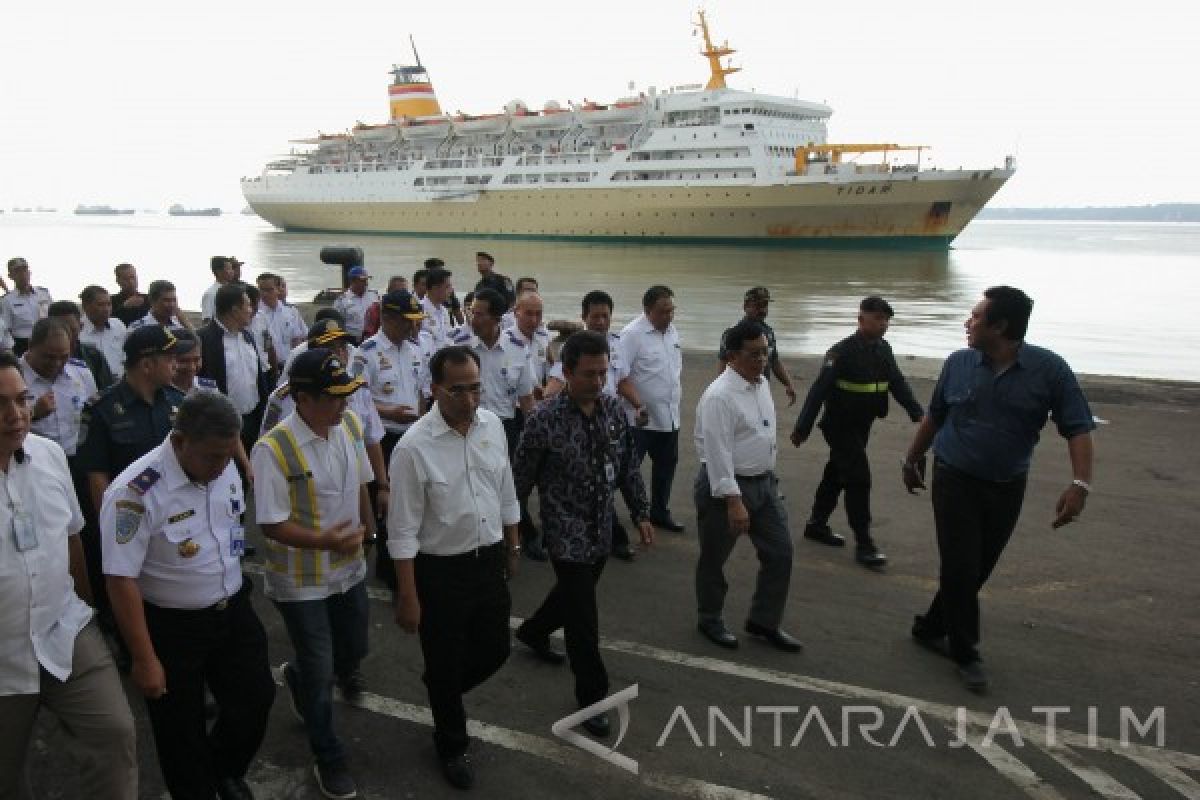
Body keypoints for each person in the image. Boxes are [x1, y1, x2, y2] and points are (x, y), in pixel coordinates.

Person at [902, 286, 1095, 693]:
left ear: (1000, 326)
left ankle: (932, 625)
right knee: (960, 565)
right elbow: (935, 416)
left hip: (1007, 484)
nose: (967, 323)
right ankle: (966, 652)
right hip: (954, 477)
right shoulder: (958, 363)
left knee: (978, 567)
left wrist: (1080, 484)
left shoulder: (1050, 370)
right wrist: (913, 458)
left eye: (975, 316)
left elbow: (1077, 426)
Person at [100, 392, 275, 800]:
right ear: (180, 442)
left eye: (228, 454)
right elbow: (120, 579)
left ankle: (223, 771)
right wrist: (143, 659)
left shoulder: (222, 464)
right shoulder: (136, 492)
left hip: (231, 609)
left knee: (255, 699)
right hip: (171, 626)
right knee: (180, 731)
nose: (221, 467)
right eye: (213, 457)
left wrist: (225, 460)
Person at [0, 351, 137, 800]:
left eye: (21, 400)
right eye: (0, 405)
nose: (16, 415)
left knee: (114, 735)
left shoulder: (50, 455)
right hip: (2, 657)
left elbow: (74, 539)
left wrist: (88, 609)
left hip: (64, 630)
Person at [388, 345, 520, 790]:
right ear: (436, 389)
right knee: (444, 663)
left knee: (495, 650)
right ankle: (451, 743)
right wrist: (408, 596)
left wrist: (513, 543)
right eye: (458, 390)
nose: (469, 399)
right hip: (440, 572)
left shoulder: (493, 427)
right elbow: (403, 530)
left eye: (476, 388)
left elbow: (504, 488)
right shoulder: (412, 448)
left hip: (488, 561)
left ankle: (442, 691)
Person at [513, 332, 653, 736]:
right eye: (589, 374)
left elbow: (627, 468)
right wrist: (510, 533)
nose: (597, 382)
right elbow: (520, 480)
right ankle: (592, 697)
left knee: (575, 597)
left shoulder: (612, 411)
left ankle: (534, 630)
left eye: (603, 373)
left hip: (601, 527)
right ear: (567, 372)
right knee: (583, 618)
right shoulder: (544, 419)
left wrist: (641, 513)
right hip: (564, 529)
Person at [252, 348, 375, 800]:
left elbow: (360, 483)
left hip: (348, 568)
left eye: (346, 395)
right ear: (303, 399)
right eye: (334, 396)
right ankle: (329, 755)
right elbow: (270, 522)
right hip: (300, 580)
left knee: (354, 649)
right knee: (323, 667)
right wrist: (329, 542)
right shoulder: (273, 449)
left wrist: (369, 534)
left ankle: (299, 679)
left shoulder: (350, 427)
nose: (344, 404)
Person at [790, 295, 924, 568]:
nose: (883, 324)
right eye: (878, 319)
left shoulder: (883, 349)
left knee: (837, 473)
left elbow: (896, 382)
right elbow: (819, 391)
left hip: (862, 425)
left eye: (886, 320)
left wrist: (917, 413)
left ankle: (816, 524)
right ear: (861, 319)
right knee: (859, 479)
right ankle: (865, 544)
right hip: (839, 426)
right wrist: (802, 428)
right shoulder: (840, 352)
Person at [76, 326, 187, 650]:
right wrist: (113, 531)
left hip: (173, 519)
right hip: (130, 520)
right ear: (146, 365)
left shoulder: (178, 403)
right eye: (169, 358)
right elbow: (98, 477)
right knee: (128, 593)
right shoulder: (103, 409)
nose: (176, 365)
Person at [693, 319, 800, 653]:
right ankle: (709, 617)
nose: (762, 361)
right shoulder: (719, 397)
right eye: (754, 355)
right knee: (715, 558)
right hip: (727, 489)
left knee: (781, 553)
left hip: (765, 486)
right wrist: (733, 501)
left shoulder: (760, 384)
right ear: (732, 357)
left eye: (765, 353)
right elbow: (717, 453)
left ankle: (764, 621)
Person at [544, 291, 644, 561]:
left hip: (609, 422)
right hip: (579, 425)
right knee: (591, 484)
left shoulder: (617, 345)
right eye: (595, 316)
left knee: (613, 477)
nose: (601, 322)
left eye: (605, 316)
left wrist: (637, 405)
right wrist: (546, 403)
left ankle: (613, 536)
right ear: (584, 317)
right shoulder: (573, 348)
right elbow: (556, 382)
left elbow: (622, 381)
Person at [354, 291, 428, 586]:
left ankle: (408, 560)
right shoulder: (366, 354)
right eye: (406, 321)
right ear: (387, 318)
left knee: (412, 501)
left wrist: (420, 423)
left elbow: (422, 393)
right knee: (387, 505)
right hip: (381, 439)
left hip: (411, 436)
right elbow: (357, 403)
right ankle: (388, 569)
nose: (413, 327)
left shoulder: (415, 351)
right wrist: (389, 411)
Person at [618, 285, 685, 532]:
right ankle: (611, 516)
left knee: (666, 469)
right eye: (663, 311)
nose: (669, 316)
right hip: (640, 419)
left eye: (671, 310)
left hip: (669, 417)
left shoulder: (672, 332)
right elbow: (620, 376)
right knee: (626, 472)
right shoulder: (631, 335)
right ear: (647, 311)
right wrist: (638, 404)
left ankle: (659, 512)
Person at [197, 283, 272, 459]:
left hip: (253, 420)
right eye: (247, 305)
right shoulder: (204, 340)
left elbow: (257, 379)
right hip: (223, 424)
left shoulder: (247, 337)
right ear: (234, 310)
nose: (251, 310)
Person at [20, 318, 98, 459]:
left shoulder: (81, 372)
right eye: (48, 357)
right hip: (32, 461)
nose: (56, 363)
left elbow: (93, 414)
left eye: (64, 357)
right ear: (30, 345)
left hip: (77, 460)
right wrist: (33, 414)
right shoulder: (12, 377)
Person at [717, 287, 797, 405]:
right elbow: (723, 363)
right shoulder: (732, 333)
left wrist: (788, 384)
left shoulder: (768, 332)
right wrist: (722, 390)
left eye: (765, 305)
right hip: (739, 391)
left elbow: (774, 361)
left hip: (761, 389)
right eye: (758, 306)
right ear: (745, 307)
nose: (763, 310)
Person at [48, 300, 114, 390]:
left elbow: (107, 391)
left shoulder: (93, 356)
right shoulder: (38, 358)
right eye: (60, 330)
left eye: (71, 329)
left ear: (81, 326)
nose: (65, 335)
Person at [1, 257, 52, 355]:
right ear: (10, 276)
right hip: (22, 345)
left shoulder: (44, 293)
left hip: (46, 340)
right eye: (17, 271)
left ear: (29, 272)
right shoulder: (6, 300)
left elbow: (53, 317)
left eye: (24, 270)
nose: (22, 274)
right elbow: (6, 328)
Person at [256, 272, 308, 368]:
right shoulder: (255, 314)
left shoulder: (290, 311)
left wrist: (295, 362)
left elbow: (296, 339)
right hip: (266, 367)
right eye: (261, 290)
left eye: (269, 290)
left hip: (288, 364)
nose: (264, 294)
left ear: (278, 290)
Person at [79, 284, 128, 379]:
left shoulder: (118, 325)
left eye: (109, 304)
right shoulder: (78, 330)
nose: (106, 309)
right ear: (85, 306)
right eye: (100, 305)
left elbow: (126, 354)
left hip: (120, 382)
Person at [332, 266, 379, 342]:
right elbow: (337, 323)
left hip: (373, 338)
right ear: (352, 281)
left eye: (366, 280)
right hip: (353, 339)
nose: (366, 283)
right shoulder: (342, 301)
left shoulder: (374, 295)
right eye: (362, 280)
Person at [168, 328, 218, 394]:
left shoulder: (208, 388)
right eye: (183, 361)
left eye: (196, 359)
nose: (192, 367)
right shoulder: (157, 391)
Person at [361, 275, 408, 340]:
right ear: (389, 291)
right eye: (398, 292)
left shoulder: (408, 308)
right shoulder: (375, 309)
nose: (402, 295)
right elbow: (369, 335)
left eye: (404, 292)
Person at [421, 268, 455, 350]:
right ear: (435, 288)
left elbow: (448, 337)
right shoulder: (419, 310)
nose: (451, 290)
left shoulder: (444, 311)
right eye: (447, 287)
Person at [111, 262, 149, 327]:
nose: (131, 282)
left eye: (133, 277)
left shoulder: (149, 299)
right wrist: (124, 307)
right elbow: (107, 321)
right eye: (126, 279)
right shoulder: (110, 301)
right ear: (118, 281)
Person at [200, 256, 237, 322]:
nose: (232, 272)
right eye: (228, 269)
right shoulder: (210, 294)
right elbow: (207, 319)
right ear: (218, 272)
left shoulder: (234, 289)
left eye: (232, 268)